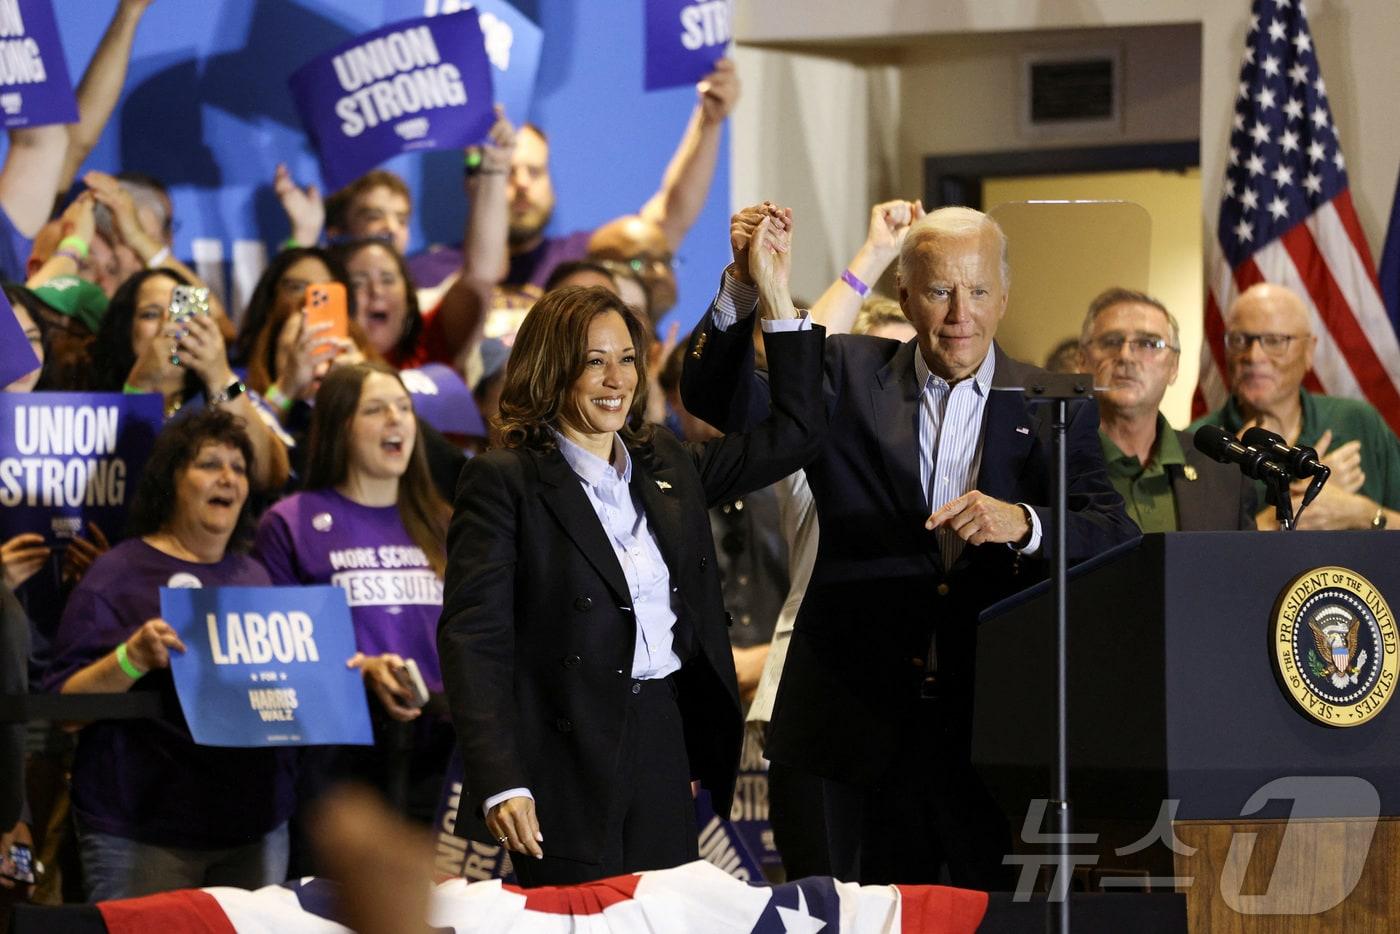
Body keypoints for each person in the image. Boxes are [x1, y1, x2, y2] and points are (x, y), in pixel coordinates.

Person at [681, 204, 1136, 887]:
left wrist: (1027, 522)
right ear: (903, 293)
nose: (961, 313)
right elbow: (724, 401)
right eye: (940, 290)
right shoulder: (846, 372)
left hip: (991, 736)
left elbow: (1114, 531)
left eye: (979, 291)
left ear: (1005, 296)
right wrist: (744, 288)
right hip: (850, 730)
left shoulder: (1053, 404)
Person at [437, 208, 823, 886]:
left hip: (661, 738)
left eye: (625, 360)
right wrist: (501, 780)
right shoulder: (504, 482)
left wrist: (764, 290)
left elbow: (796, 433)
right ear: (552, 370)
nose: (617, 380)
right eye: (594, 363)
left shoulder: (667, 463)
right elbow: (476, 642)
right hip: (563, 758)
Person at [42, 410, 297, 900]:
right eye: (209, 464)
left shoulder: (257, 577)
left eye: (239, 468)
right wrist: (131, 658)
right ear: (171, 479)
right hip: (143, 837)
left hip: (256, 832)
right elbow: (62, 712)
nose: (228, 478)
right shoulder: (117, 575)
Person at [254, 363, 453, 818]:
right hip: (337, 758)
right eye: (376, 409)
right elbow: (275, 653)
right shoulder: (290, 522)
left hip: (438, 754)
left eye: (403, 408)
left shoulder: (445, 524)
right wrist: (360, 670)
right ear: (340, 426)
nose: (396, 420)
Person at [1190, 282, 1400, 530]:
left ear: (1309, 351)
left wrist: (1362, 513)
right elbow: (1196, 559)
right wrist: (1283, 514)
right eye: (1239, 340)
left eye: (1275, 340)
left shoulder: (1358, 422)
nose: (1254, 356)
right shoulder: (1198, 443)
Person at [89, 268, 290, 492]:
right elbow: (108, 481)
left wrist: (219, 375)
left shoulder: (234, 390)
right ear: (125, 328)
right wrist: (139, 386)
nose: (168, 325)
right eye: (151, 314)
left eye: (181, 312)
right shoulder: (92, 398)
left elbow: (269, 473)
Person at [1078, 288, 1256, 532]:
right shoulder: (1047, 462)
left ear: (1174, 366)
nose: (1126, 356)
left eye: (1149, 343)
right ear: (1082, 361)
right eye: (1111, 341)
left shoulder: (1224, 472)